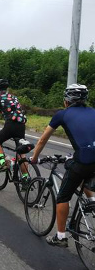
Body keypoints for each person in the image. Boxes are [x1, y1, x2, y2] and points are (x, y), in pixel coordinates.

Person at [30, 83, 95, 248]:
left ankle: (60, 237)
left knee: (63, 196)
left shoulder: (62, 115)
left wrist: (35, 158)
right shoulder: (93, 112)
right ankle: (92, 202)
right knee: (76, 167)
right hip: (90, 159)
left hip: (83, 160)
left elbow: (43, 138)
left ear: (67, 100)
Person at [0, 78, 29, 186]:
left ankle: (3, 163)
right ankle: (26, 179)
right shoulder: (14, 97)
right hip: (22, 125)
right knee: (21, 153)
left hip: (10, 125)